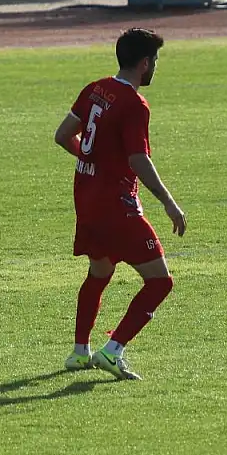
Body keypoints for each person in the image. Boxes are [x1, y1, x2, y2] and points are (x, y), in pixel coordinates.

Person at [52, 28, 187, 380]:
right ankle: (113, 351)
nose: (155, 66)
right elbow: (138, 159)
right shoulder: (134, 104)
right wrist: (169, 202)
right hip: (117, 205)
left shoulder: (95, 88)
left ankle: (80, 352)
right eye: (154, 60)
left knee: (100, 272)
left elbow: (62, 135)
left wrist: (90, 157)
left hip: (86, 200)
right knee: (160, 282)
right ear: (145, 63)